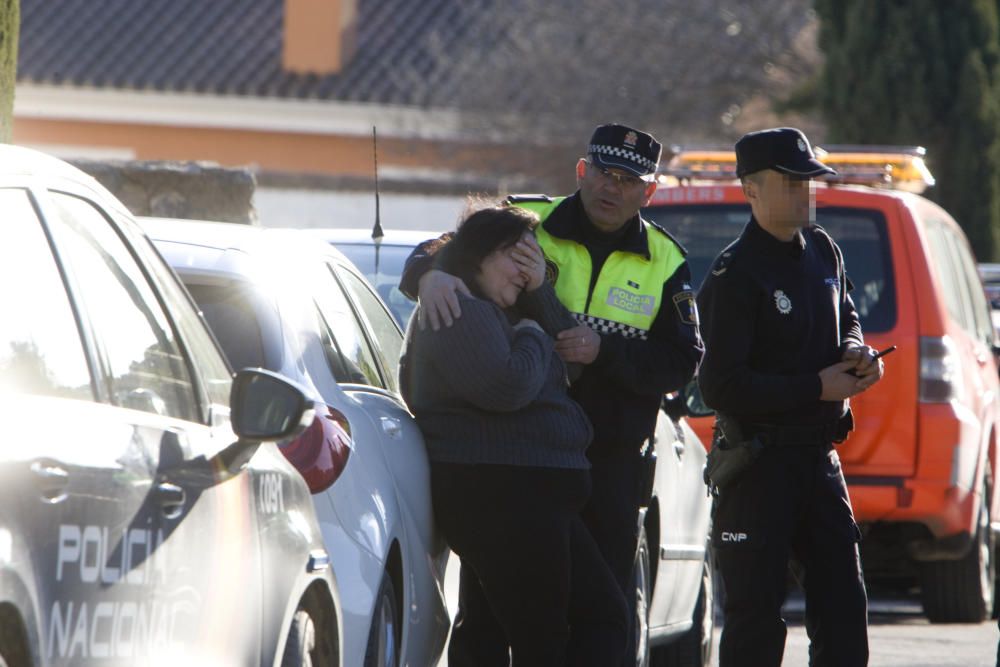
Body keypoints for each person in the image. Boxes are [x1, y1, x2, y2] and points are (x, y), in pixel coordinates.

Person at [400, 123, 703, 665]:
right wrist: (429, 274)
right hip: (513, 455)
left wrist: (604, 352)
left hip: (607, 462)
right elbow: (453, 245)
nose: (613, 188)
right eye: (604, 174)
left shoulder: (666, 258)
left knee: (601, 613)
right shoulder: (528, 220)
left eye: (629, 180)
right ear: (581, 172)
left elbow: (682, 361)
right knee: (492, 616)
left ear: (649, 192)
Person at [399, 205, 628, 666]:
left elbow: (574, 359)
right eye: (515, 257)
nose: (526, 271)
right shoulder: (459, 307)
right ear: (478, 256)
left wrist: (541, 292)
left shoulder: (504, 306)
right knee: (548, 635)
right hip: (505, 492)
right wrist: (531, 336)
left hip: (533, 492)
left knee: (531, 628)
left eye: (533, 258)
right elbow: (505, 387)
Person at [696, 127, 885, 667]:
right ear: (750, 190)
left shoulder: (823, 249)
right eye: (791, 181)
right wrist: (814, 387)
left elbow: (846, 316)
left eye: (811, 181)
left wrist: (857, 352)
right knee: (754, 621)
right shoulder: (734, 275)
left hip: (819, 460)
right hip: (758, 464)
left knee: (845, 611)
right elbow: (720, 386)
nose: (807, 192)